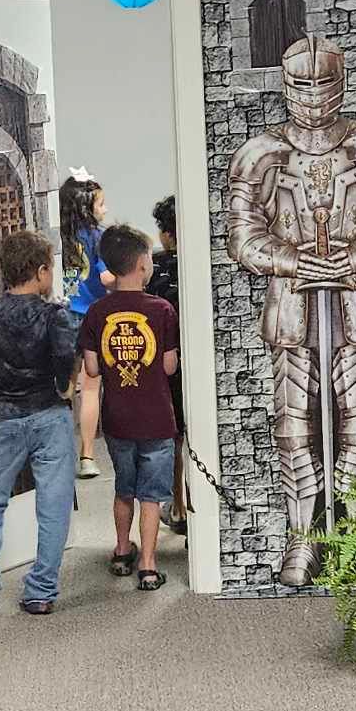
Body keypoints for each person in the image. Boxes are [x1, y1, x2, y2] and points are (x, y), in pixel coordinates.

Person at [226, 35, 356, 585]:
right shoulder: (261, 155)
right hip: (292, 305)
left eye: (322, 82)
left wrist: (353, 256)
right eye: (302, 84)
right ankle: (302, 540)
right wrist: (290, 261)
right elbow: (242, 235)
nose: (312, 96)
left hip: (355, 299)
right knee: (293, 428)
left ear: (341, 81)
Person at [0, 231, 78, 618]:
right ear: (42, 271)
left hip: (7, 417)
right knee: (54, 502)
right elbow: (64, 355)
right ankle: (39, 591)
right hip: (49, 414)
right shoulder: (54, 315)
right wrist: (66, 386)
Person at [76, 224, 180, 592]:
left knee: (123, 488)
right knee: (152, 495)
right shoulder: (162, 310)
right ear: (141, 264)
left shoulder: (96, 313)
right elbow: (168, 366)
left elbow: (91, 368)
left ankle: (122, 551)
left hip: (118, 418)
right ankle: (149, 566)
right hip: (156, 417)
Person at [58, 171, 111, 479]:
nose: (104, 210)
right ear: (87, 207)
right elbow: (105, 277)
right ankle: (87, 456)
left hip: (63, 316)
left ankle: (59, 453)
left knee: (63, 389)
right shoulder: (98, 237)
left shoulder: (59, 236)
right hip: (91, 317)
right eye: (101, 204)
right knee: (90, 389)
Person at [146, 194, 186, 536]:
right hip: (196, 360)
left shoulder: (156, 271)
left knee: (174, 439)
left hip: (167, 364)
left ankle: (178, 504)